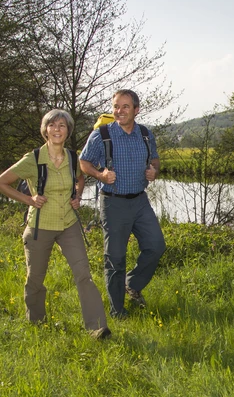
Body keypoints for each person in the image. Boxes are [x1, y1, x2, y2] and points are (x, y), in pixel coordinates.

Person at [0, 109, 111, 339]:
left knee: (83, 275)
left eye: (62, 126)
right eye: (52, 125)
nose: (57, 129)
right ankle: (36, 323)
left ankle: (96, 328)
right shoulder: (33, 158)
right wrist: (29, 199)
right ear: (45, 130)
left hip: (69, 225)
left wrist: (77, 196)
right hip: (40, 226)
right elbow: (0, 183)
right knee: (35, 278)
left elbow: (80, 177)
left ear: (68, 131)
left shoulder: (71, 157)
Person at [79, 89, 166, 319]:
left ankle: (132, 284)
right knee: (115, 258)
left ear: (136, 110)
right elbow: (84, 162)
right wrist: (100, 175)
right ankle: (118, 311)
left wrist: (153, 171)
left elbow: (155, 159)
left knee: (156, 246)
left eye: (125, 106)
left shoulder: (146, 134)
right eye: (116, 106)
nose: (119, 111)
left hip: (140, 201)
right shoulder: (102, 135)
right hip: (113, 203)